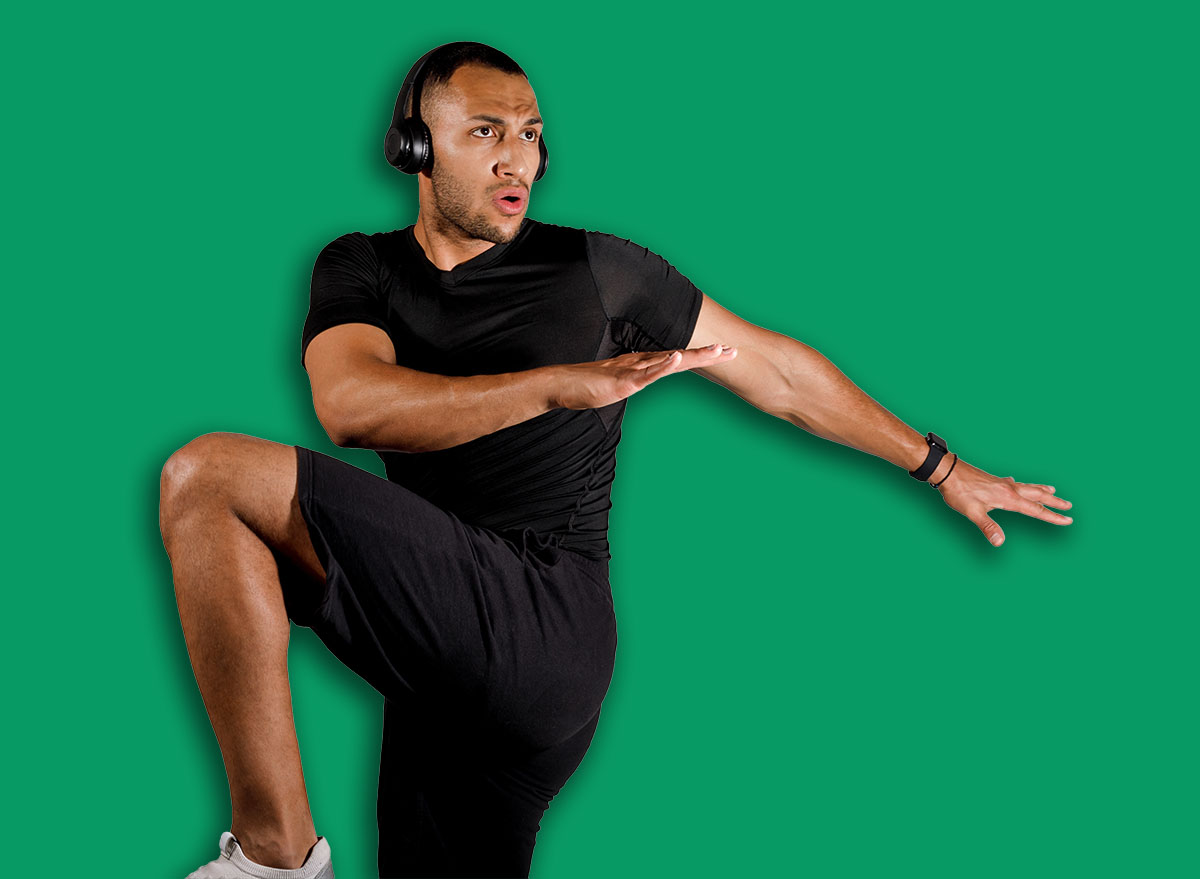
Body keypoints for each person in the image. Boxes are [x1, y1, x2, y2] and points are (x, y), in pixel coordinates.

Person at [159, 42, 1074, 879]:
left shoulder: (599, 268)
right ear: (414, 148)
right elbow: (350, 405)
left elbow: (780, 373)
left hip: (545, 625)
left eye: (531, 135)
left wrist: (942, 467)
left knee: (210, 476)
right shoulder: (362, 267)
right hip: (440, 651)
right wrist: (557, 385)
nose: (518, 160)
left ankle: (273, 860)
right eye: (485, 134)